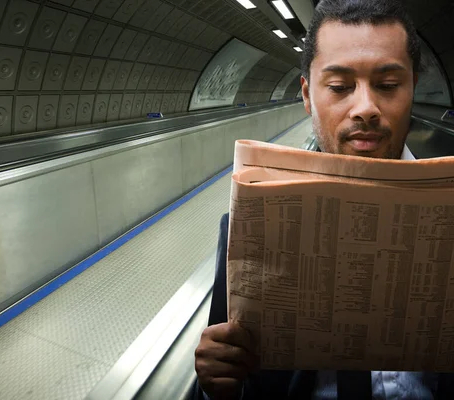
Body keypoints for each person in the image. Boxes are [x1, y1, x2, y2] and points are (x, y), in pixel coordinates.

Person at [193, 0, 454, 399]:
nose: (365, 108)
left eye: (387, 85)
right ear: (306, 95)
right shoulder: (249, 224)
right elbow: (229, 375)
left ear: (413, 89)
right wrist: (217, 384)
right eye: (339, 87)